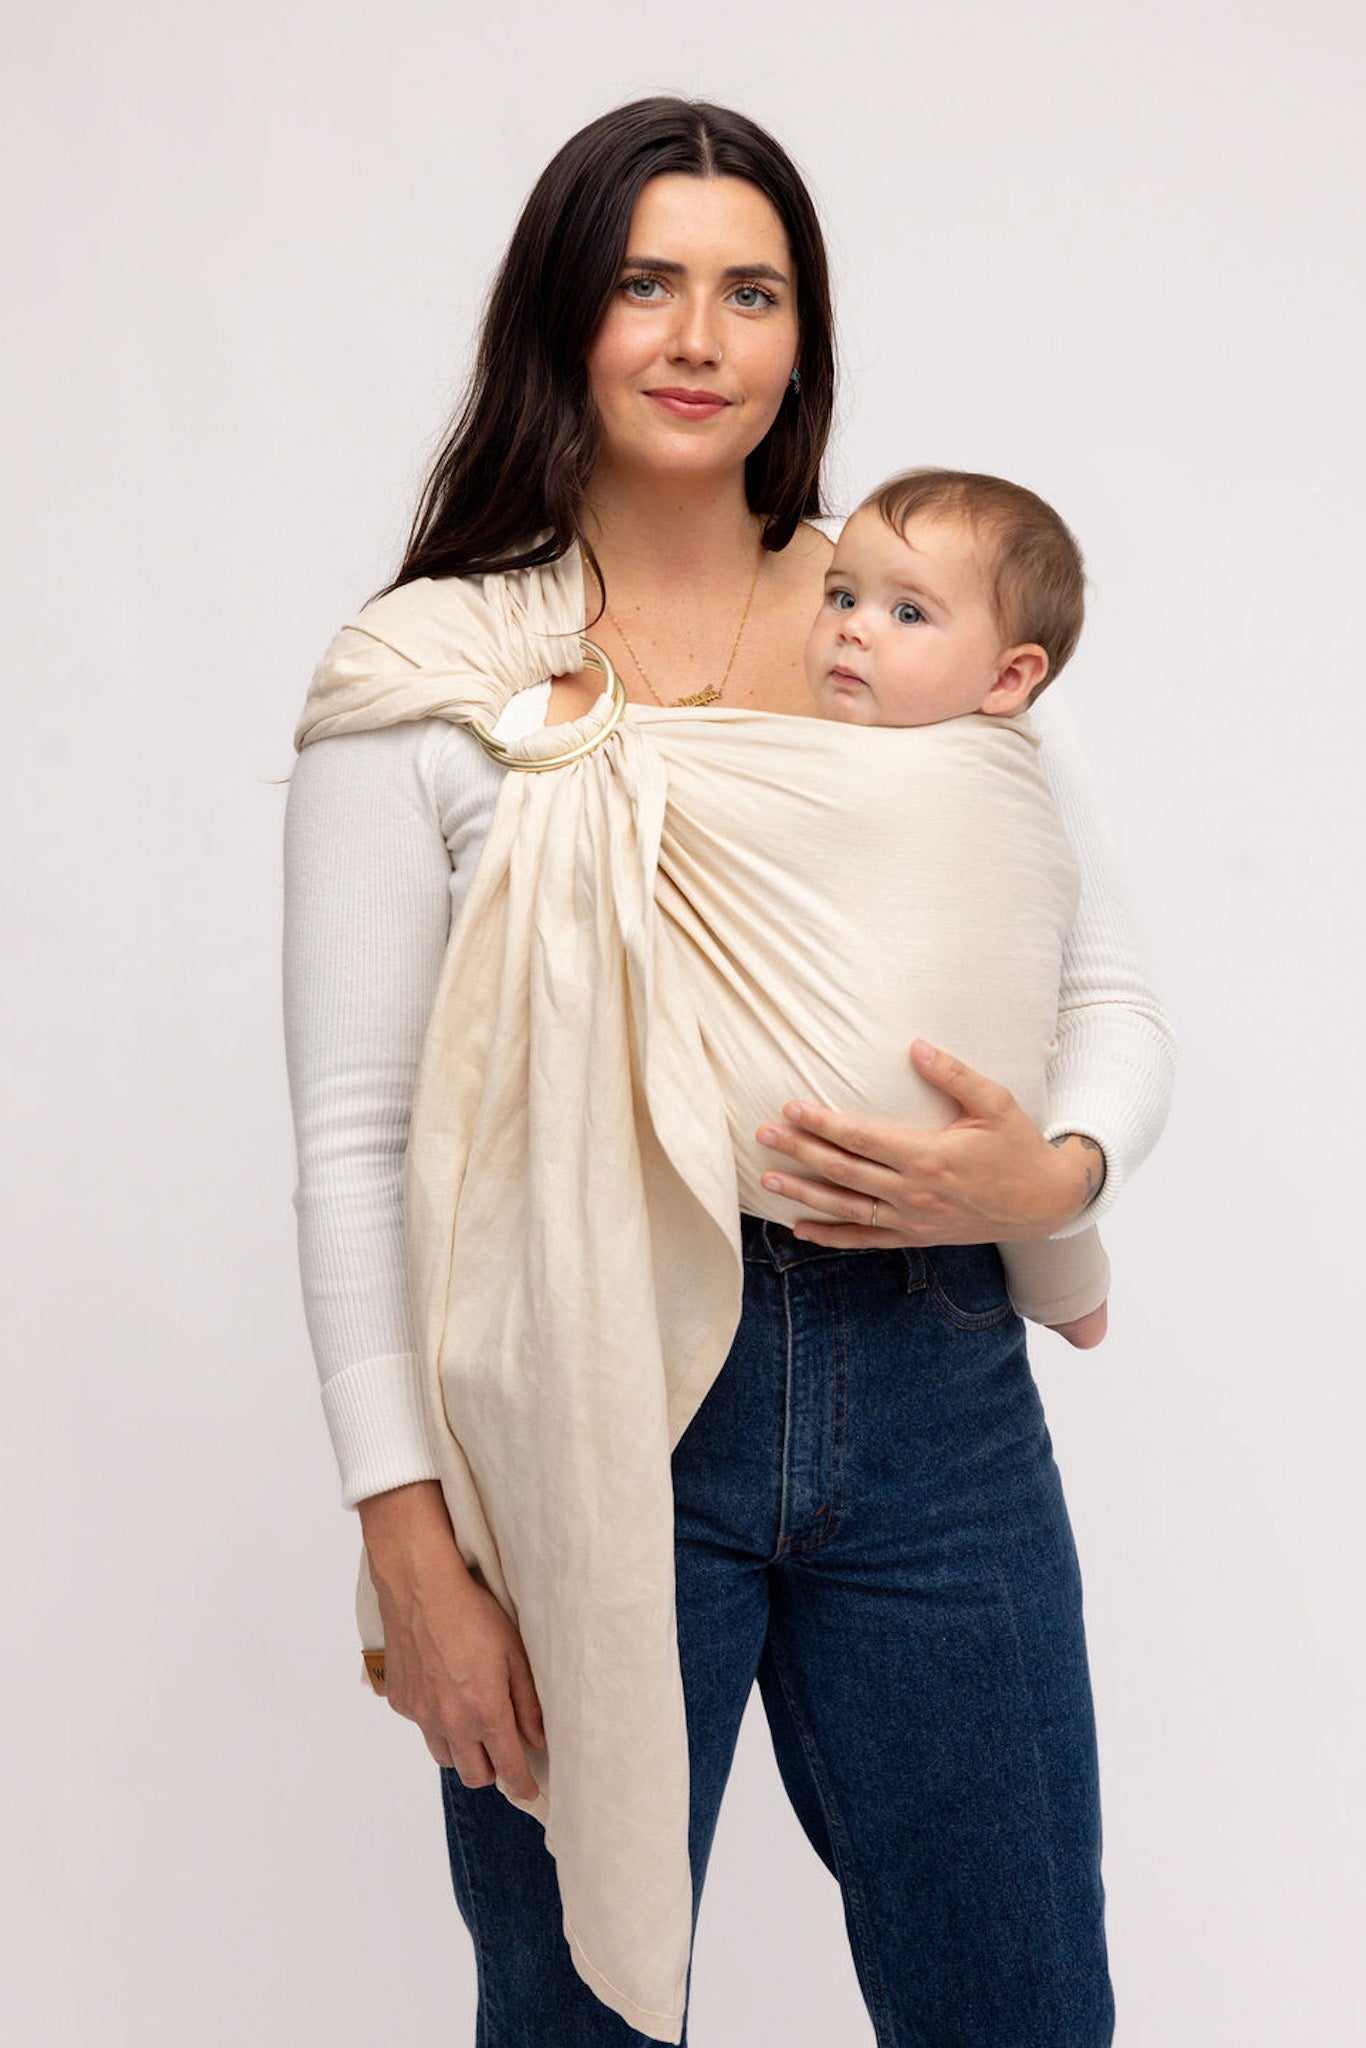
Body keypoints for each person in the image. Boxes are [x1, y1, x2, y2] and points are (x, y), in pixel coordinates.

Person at [283, 97, 1174, 2048]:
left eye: (747, 289)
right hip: (575, 1398)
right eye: (644, 281)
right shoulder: (430, 672)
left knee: (1019, 2000)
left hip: (934, 1391)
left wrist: (1050, 1184)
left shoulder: (920, 617)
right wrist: (406, 1540)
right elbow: (353, 1140)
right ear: (563, 317)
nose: (698, 334)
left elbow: (1102, 989)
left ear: (800, 332)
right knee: (576, 2013)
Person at [802, 462, 1113, 1348]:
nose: (853, 631)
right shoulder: (802, 745)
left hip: (986, 1112)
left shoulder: (1008, 765)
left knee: (1015, 1095)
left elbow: (1083, 963)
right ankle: (1074, 1290)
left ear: (1008, 680)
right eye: (840, 597)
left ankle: (1076, 1293)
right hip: (835, 1164)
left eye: (907, 614)